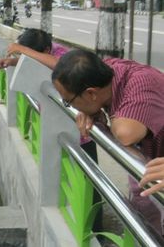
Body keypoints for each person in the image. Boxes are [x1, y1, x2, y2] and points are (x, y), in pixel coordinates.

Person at [0, 28, 102, 232]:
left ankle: (95, 232)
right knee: (68, 180)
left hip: (81, 133)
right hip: (61, 129)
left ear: (45, 49)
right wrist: (14, 60)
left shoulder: (65, 57)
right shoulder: (45, 55)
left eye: (29, 53)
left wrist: (20, 49)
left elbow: (56, 66)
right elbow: (40, 64)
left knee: (90, 185)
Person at [52, 49, 164, 235]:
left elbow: (126, 133)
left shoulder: (141, 85)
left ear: (91, 93)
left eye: (69, 101)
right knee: (144, 213)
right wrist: (89, 108)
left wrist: (95, 111)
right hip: (152, 159)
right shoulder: (109, 72)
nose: (72, 108)